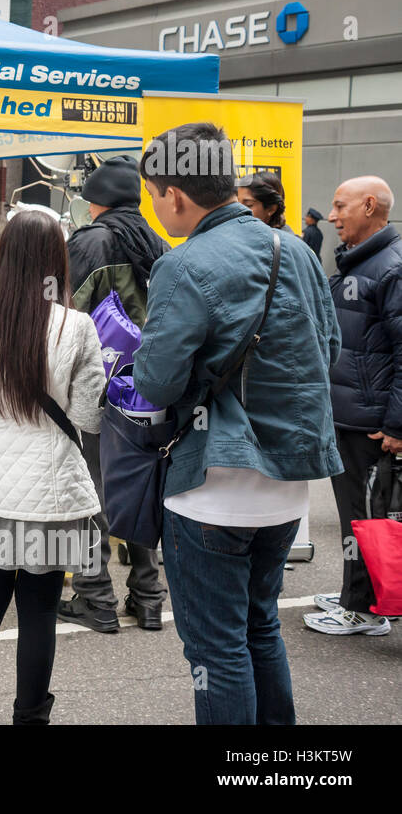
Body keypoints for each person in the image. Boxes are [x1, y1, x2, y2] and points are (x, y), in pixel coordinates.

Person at [134, 122, 341, 724]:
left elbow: (156, 382)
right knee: (260, 627)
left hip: (213, 485)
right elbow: (326, 350)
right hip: (288, 486)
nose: (154, 208)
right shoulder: (296, 249)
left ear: (174, 193)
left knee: (215, 649)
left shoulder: (185, 262)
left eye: (154, 194)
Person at [0, 209, 105, 725]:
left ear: (3, 256)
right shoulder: (76, 326)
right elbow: (88, 418)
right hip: (49, 493)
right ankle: (31, 717)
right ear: (57, 260)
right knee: (39, 612)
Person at [59, 154, 170, 633]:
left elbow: (63, 312)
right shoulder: (159, 242)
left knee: (90, 489)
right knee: (138, 486)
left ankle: (94, 594)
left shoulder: (91, 241)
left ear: (94, 202)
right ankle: (147, 596)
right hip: (148, 385)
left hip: (97, 382)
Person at [306, 176, 401, 635]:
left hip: (373, 419)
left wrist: (398, 423)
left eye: (340, 205)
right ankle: (357, 595)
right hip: (353, 413)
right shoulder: (362, 263)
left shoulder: (391, 267)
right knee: (357, 513)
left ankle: (363, 608)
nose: (332, 215)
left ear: (369, 206)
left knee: (368, 516)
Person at [237, 169, 297, 234]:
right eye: (236, 203)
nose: (238, 210)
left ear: (271, 209)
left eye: (248, 205)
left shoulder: (285, 242)